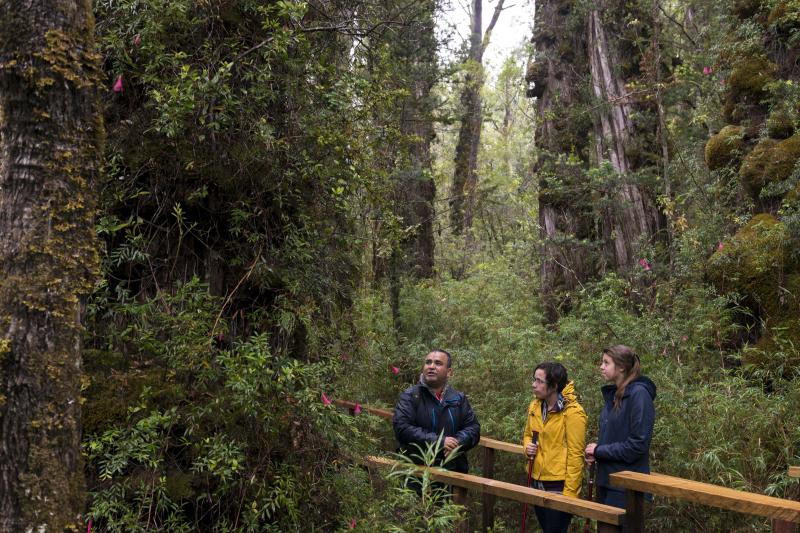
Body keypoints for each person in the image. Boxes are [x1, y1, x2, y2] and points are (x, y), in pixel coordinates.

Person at [584, 345, 656, 509]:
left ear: (622, 367)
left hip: (626, 488)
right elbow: (615, 436)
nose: (601, 367)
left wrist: (600, 450)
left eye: (606, 363)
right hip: (606, 481)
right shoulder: (614, 394)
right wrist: (596, 454)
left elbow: (638, 444)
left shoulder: (639, 395)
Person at [522, 361, 587, 533]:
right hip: (536, 480)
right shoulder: (535, 406)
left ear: (554, 385)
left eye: (539, 381)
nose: (534, 384)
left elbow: (576, 455)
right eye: (534, 379)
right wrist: (527, 446)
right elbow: (528, 434)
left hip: (558, 486)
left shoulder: (572, 412)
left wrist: (569, 496)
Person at [393, 349, 480, 474]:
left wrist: (457, 443)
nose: (431, 366)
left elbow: (473, 428)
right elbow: (402, 429)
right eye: (428, 362)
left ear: (449, 372)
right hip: (417, 473)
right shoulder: (410, 396)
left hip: (453, 472)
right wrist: (440, 442)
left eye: (438, 363)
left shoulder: (458, 398)